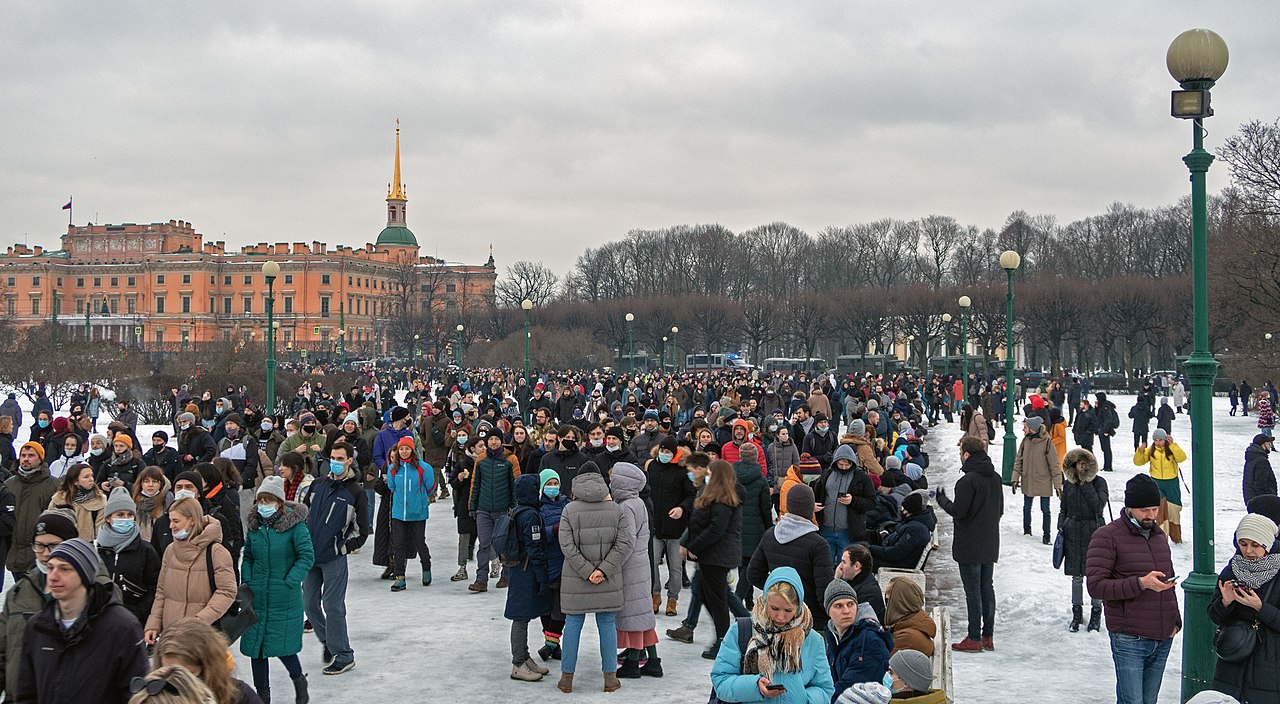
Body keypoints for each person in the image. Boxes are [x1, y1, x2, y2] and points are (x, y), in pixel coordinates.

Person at [1086, 473, 1181, 704]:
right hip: (1130, 638)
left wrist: (1175, 622)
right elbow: (1096, 586)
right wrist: (1141, 583)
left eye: (1154, 509)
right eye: (1144, 510)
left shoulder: (1159, 536)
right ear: (1129, 508)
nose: (1151, 515)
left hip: (1162, 636)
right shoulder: (1107, 536)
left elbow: (1167, 584)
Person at [16, 538, 148, 704]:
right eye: (50, 568)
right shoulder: (37, 627)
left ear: (84, 574)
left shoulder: (122, 628)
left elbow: (135, 696)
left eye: (64, 569)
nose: (53, 577)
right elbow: (26, 695)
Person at [709, 566, 835, 704]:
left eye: (788, 610)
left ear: (798, 607)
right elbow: (721, 681)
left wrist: (803, 699)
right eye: (774, 608)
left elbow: (825, 689)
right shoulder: (740, 631)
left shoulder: (813, 640)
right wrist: (755, 686)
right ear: (765, 602)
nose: (780, 617)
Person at [555, 471, 632, 693]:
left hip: (575, 578)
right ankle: (610, 678)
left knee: (573, 625)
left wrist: (587, 571)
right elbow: (623, 543)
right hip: (607, 580)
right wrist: (602, 571)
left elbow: (566, 546)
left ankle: (566, 678)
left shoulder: (569, 510)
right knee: (607, 625)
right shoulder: (616, 510)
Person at [240, 475, 315, 703]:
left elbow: (306, 556)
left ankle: (299, 681)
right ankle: (262, 695)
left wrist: (290, 580)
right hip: (258, 597)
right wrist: (249, 579)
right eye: (260, 500)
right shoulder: (255, 528)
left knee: (283, 647)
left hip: (284, 597)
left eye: (269, 500)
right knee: (257, 649)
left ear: (280, 502)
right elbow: (249, 557)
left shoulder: (295, 527)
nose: (263, 505)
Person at [301, 441, 370, 676]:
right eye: (333, 458)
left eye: (340, 459)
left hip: (334, 558)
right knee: (309, 604)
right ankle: (330, 642)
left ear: (350, 461)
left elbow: (362, 530)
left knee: (333, 606)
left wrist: (342, 547)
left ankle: (343, 654)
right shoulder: (317, 485)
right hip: (309, 556)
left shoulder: (355, 492)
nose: (336, 462)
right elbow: (303, 516)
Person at [0, 509, 79, 700]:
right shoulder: (19, 593)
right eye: (39, 546)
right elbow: (2, 652)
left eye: (53, 546)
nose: (45, 553)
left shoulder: (97, 591)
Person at [936, 436, 1002, 653]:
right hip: (990, 541)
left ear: (966, 454)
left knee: (972, 591)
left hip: (969, 544)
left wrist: (942, 500)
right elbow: (999, 510)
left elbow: (959, 512)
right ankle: (988, 635)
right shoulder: (995, 478)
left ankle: (974, 637)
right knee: (986, 587)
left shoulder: (967, 481)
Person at [145, 496, 237, 643]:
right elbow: (162, 591)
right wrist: (154, 623)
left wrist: (199, 621)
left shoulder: (216, 552)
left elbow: (227, 591)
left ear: (192, 520)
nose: (171, 526)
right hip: (172, 635)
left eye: (176, 521)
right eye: (170, 521)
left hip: (202, 637)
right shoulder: (170, 550)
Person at [1208, 514, 1280, 702]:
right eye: (1243, 543)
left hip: (1269, 664)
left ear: (1267, 544)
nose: (1248, 550)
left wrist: (1260, 607)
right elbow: (1214, 616)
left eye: (1255, 545)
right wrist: (1225, 603)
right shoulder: (1232, 569)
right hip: (1232, 659)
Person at [748, 484, 834, 631]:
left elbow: (753, 574)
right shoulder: (818, 544)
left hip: (776, 617)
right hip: (809, 619)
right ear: (810, 508)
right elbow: (824, 591)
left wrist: (779, 593)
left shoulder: (770, 535)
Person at [683, 458, 743, 660]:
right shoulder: (714, 496)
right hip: (711, 556)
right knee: (705, 593)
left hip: (716, 558)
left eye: (709, 473)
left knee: (718, 600)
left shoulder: (723, 500)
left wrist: (694, 546)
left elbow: (716, 530)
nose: (706, 476)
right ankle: (727, 633)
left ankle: (723, 640)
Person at [610, 462, 663, 679]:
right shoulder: (638, 502)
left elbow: (627, 541)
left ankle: (632, 663)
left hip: (631, 568)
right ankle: (653, 661)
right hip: (641, 566)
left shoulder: (626, 506)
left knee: (632, 616)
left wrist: (614, 564)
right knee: (642, 616)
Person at [504, 474, 553, 683]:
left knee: (522, 615)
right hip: (526, 571)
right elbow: (535, 549)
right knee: (521, 617)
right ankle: (518, 663)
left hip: (517, 569)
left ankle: (525, 657)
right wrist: (543, 578)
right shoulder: (531, 516)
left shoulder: (517, 510)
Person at [153, 617, 263, 704]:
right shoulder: (153, 695)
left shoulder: (238, 696)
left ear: (207, 667)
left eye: (188, 674)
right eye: (167, 672)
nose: (177, 682)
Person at [96, 487, 161, 627]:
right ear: (108, 518)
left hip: (132, 622)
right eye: (120, 515)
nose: (125, 519)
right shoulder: (94, 549)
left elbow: (155, 587)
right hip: (98, 620)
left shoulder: (146, 550)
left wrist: (139, 612)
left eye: (129, 515)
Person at [1059, 449, 1108, 633]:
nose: (1080, 467)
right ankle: (1076, 613)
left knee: (1095, 575)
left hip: (1093, 532)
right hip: (1073, 531)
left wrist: (1086, 483)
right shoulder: (1069, 484)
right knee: (1076, 576)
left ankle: (1096, 612)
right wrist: (1061, 524)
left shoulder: (1099, 482)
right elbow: (1063, 506)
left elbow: (1098, 505)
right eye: (1077, 463)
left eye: (1084, 464)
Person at [646, 437, 696, 616]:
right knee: (652, 564)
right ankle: (655, 594)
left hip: (675, 527)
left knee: (675, 567)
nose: (664, 454)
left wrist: (682, 508)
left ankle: (672, 599)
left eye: (668, 452)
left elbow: (691, 495)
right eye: (662, 450)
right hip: (655, 526)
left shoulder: (682, 470)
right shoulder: (652, 466)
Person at [468, 431, 521, 593]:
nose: (493, 442)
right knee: (484, 545)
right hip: (483, 509)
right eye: (490, 439)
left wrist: (515, 506)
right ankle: (481, 580)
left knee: (503, 544)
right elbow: (475, 483)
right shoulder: (481, 459)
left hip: (503, 509)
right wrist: (472, 505)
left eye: (496, 439)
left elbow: (516, 485)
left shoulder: (510, 459)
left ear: (501, 441)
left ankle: (506, 575)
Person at [823, 579, 892, 697]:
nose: (846, 611)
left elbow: (851, 690)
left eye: (850, 604)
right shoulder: (835, 637)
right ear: (828, 611)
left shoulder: (869, 640)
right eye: (838, 606)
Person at [384, 437, 436, 590]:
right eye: (401, 449)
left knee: (419, 542)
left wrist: (419, 499)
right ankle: (400, 577)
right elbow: (392, 487)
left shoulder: (423, 468)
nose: (404, 452)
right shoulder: (393, 468)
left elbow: (431, 487)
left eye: (407, 449)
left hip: (418, 512)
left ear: (413, 450)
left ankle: (426, 566)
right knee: (398, 545)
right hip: (399, 512)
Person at [813, 444, 875, 566]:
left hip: (848, 533)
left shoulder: (862, 478)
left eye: (847, 465)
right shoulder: (826, 474)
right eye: (841, 464)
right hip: (826, 529)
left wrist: (853, 501)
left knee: (847, 569)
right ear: (835, 462)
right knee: (825, 566)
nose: (844, 467)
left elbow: (872, 502)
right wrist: (813, 506)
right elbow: (816, 494)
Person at [6, 442, 57, 582]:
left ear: (40, 459)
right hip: (13, 554)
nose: (26, 459)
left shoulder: (53, 485)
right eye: (23, 455)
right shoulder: (9, 484)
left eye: (31, 455)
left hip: (41, 555)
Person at [734, 442, 774, 610]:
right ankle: (737, 599)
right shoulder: (761, 481)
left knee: (742, 565)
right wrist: (769, 529)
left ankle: (748, 600)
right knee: (749, 567)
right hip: (755, 529)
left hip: (736, 527)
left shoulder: (731, 477)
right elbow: (766, 508)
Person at [1011, 415, 1062, 544]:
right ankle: (1026, 530)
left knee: (1045, 509)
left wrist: (1058, 485)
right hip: (1028, 479)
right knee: (1026, 507)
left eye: (1025, 427)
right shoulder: (1025, 441)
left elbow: (1054, 465)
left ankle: (1047, 535)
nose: (1023, 429)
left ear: (1032, 428)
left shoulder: (1047, 443)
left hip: (1043, 480)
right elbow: (1018, 461)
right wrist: (1015, 478)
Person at [536, 468, 569, 662]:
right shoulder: (538, 508)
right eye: (549, 484)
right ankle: (554, 646)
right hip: (547, 561)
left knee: (561, 608)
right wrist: (554, 530)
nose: (553, 487)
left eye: (555, 483)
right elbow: (537, 534)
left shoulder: (568, 504)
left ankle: (550, 645)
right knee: (546, 608)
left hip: (566, 561)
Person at [1134, 428, 1187, 545]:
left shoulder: (1171, 449)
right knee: (1160, 510)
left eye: (1160, 440)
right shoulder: (1151, 451)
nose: (1158, 442)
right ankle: (1162, 537)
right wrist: (1140, 452)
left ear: (1165, 440)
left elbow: (1182, 458)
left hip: (1172, 482)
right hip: (1156, 482)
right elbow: (1138, 462)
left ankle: (1176, 536)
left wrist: (1173, 445)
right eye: (1156, 440)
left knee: (1174, 509)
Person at [869, 493, 935, 570]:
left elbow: (895, 554)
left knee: (862, 560)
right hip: (897, 559)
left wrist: (870, 548)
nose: (901, 510)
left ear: (908, 511)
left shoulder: (915, 529)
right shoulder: (913, 522)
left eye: (903, 508)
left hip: (900, 565)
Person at [49, 462, 107, 540]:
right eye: (86, 477)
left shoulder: (99, 500)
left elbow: (101, 529)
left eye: (92, 476)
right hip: (63, 547)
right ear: (75, 481)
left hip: (88, 547)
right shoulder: (58, 500)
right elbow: (51, 524)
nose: (91, 479)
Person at [883, 577, 936, 657]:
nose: (886, 599)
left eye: (888, 595)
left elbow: (885, 664)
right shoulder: (914, 622)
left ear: (899, 602)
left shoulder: (907, 638)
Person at [834, 544, 886, 623]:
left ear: (856, 566)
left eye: (844, 562)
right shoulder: (859, 582)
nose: (840, 566)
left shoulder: (867, 592)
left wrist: (836, 580)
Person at [1244, 433, 1277, 507]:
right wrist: (1271, 498)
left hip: (1252, 498)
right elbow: (1260, 484)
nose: (1270, 446)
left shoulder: (1252, 457)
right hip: (1261, 502)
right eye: (1268, 444)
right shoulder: (1261, 461)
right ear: (1263, 445)